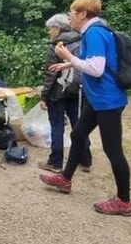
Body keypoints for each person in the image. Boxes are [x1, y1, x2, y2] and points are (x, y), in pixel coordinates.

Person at [39, 0, 131, 216]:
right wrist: (67, 62)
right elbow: (93, 63)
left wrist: (68, 56)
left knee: (113, 150)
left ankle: (124, 202)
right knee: (78, 134)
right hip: (98, 99)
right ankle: (65, 179)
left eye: (72, 12)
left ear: (83, 14)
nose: (69, 16)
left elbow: (97, 68)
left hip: (108, 101)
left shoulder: (95, 32)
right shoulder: (93, 31)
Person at [38, 13, 92, 173]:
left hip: (58, 92)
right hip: (78, 89)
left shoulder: (57, 44)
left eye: (50, 29)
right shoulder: (82, 39)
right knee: (78, 125)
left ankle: (55, 162)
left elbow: (51, 73)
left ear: (57, 28)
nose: (49, 32)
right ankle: (85, 161)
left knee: (57, 126)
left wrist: (44, 96)